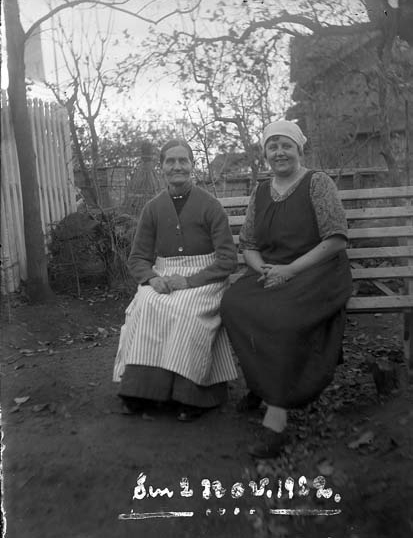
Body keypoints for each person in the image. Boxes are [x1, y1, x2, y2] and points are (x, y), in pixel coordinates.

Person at [221, 120, 353, 457]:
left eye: (286, 146)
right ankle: (261, 383)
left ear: (299, 150)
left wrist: (290, 270)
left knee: (281, 317)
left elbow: (336, 239)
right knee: (234, 303)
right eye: (273, 146)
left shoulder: (317, 183)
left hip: (318, 271)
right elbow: (248, 244)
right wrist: (262, 269)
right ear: (265, 153)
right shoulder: (261, 192)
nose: (279, 152)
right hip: (274, 270)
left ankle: (276, 418)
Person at [113, 139, 238, 421]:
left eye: (183, 160)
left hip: (205, 277)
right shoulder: (153, 208)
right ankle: (141, 392)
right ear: (162, 167)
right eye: (170, 161)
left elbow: (228, 259)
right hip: (164, 275)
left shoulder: (210, 205)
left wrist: (190, 281)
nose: (177, 166)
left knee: (186, 312)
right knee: (146, 306)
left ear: (193, 165)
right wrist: (151, 278)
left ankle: (193, 395)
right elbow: (138, 258)